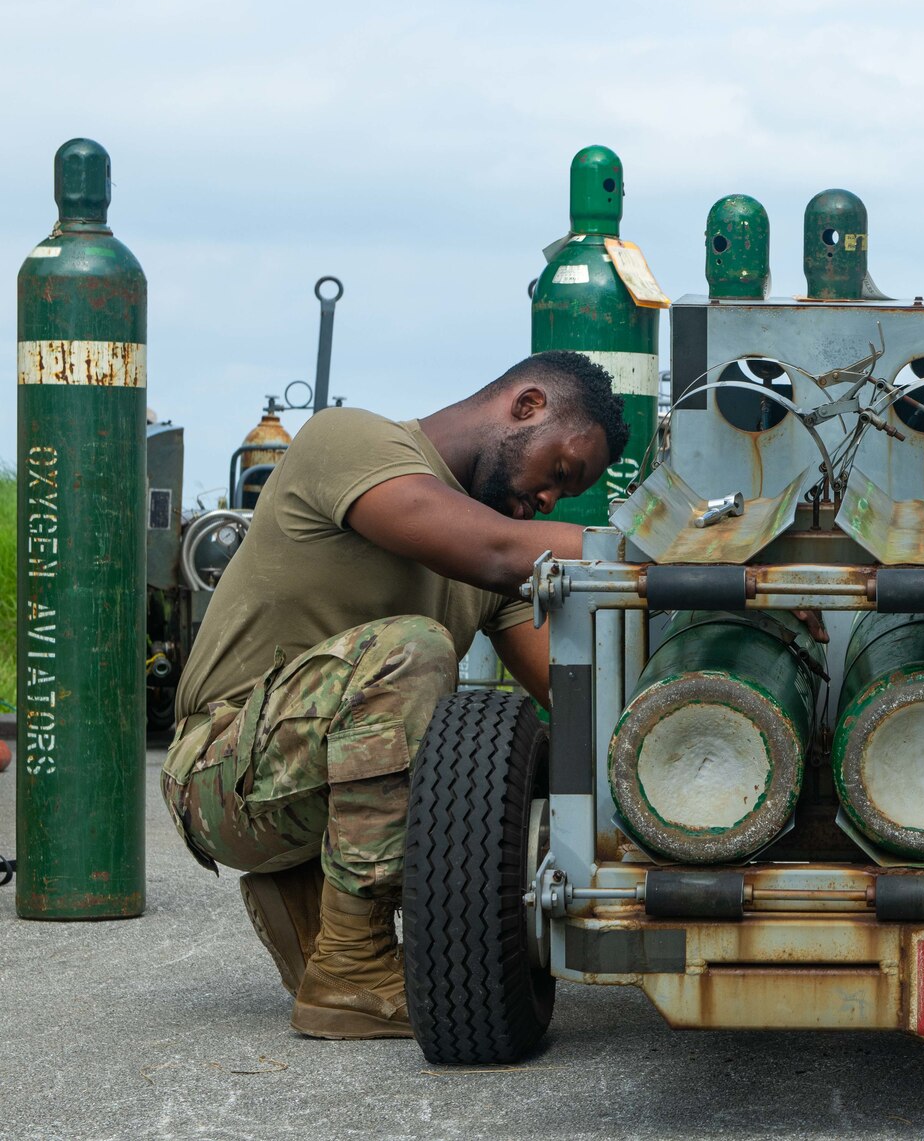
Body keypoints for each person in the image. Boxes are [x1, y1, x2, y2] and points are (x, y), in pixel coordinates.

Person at [161, 351, 628, 1040]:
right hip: (220, 770)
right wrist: (673, 551)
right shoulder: (348, 440)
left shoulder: (485, 563)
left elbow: (576, 706)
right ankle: (350, 968)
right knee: (414, 649)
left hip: (299, 780)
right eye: (558, 472)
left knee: (531, 757)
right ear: (527, 406)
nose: (551, 501)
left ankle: (309, 899)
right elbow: (503, 550)